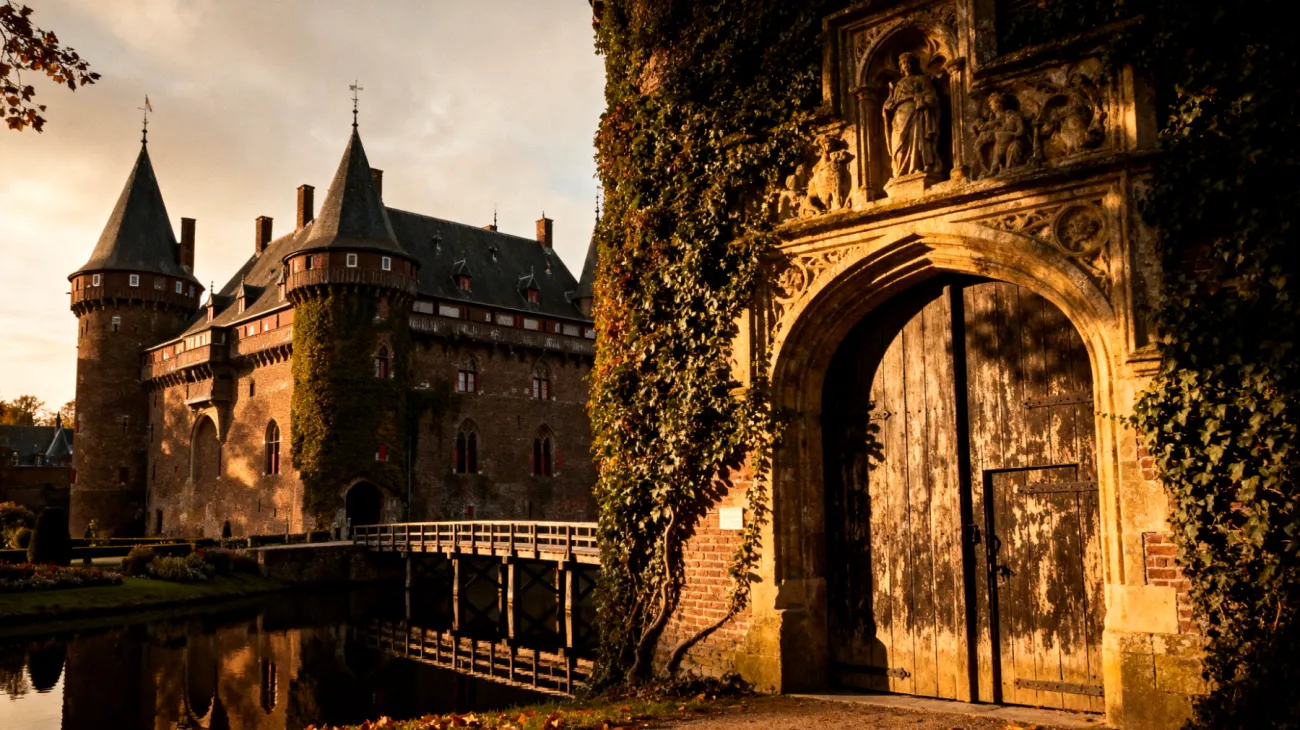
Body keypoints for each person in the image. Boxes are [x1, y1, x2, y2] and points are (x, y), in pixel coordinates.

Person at [882, 52, 941, 178]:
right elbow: (891, 102)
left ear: (914, 64)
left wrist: (921, 99)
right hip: (899, 116)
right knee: (899, 142)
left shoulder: (922, 79)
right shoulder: (897, 85)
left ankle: (916, 166)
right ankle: (900, 171)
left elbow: (932, 96)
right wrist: (887, 107)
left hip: (916, 112)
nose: (906, 65)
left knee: (917, 140)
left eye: (908, 62)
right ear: (900, 67)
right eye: (903, 63)